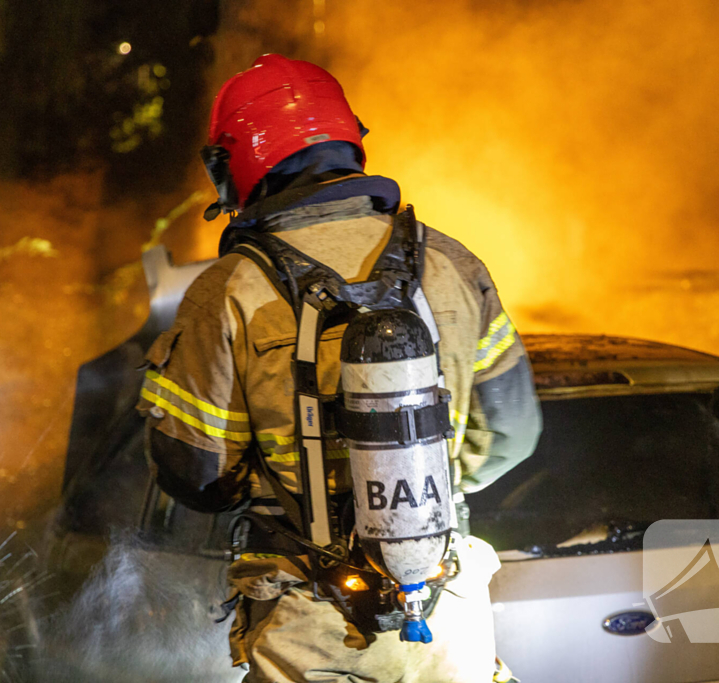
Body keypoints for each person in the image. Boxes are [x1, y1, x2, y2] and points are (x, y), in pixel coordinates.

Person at [137, 53, 542, 683]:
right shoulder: (452, 265)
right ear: (348, 139)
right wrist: (412, 497)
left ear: (238, 160)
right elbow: (511, 435)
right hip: (444, 616)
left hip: (309, 620)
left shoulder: (229, 291)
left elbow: (196, 472)